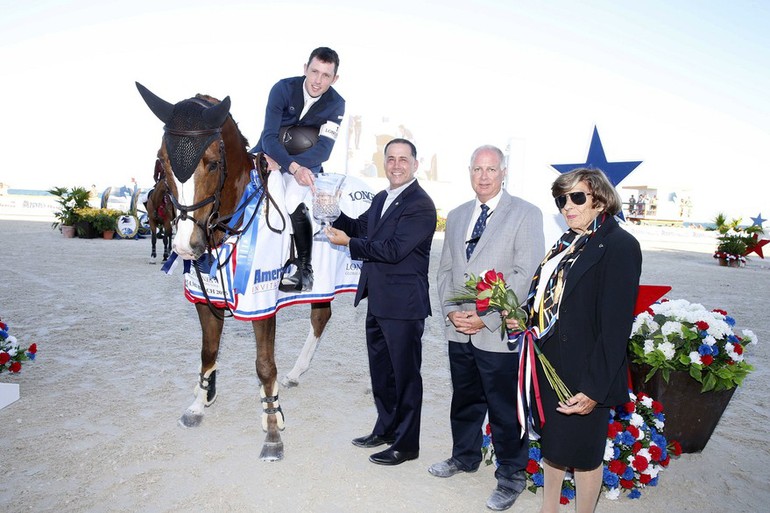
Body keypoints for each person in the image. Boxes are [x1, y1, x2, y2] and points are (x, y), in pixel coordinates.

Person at [509, 167, 641, 513]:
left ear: (599, 200)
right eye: (561, 199)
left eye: (576, 197)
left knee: (584, 455)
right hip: (549, 360)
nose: (567, 205)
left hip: (585, 369)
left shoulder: (620, 245)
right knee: (554, 446)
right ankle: (548, 508)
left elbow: (615, 328)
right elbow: (545, 296)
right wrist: (521, 316)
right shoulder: (566, 242)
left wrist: (595, 389)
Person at [431, 145, 544, 511]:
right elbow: (446, 269)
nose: (483, 176)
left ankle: (511, 476)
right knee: (464, 399)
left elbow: (524, 274)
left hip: (496, 331)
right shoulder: (459, 214)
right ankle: (464, 457)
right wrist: (451, 311)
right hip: (458, 329)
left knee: (504, 408)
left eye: (491, 169)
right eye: (477, 169)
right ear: (469, 171)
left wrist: (488, 316)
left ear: (504, 171)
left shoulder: (526, 214)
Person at [325, 138, 437, 466]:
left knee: (405, 377)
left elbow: (392, 249)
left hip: (404, 306)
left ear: (415, 164)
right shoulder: (381, 198)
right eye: (391, 159)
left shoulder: (420, 204)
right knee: (382, 374)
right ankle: (386, 429)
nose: (397, 165)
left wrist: (350, 242)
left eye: (404, 159)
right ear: (383, 163)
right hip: (379, 301)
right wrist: (332, 211)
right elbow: (361, 227)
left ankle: (406, 444)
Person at [252, 46, 345, 292]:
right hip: (271, 155)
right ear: (305, 69)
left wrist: (298, 168)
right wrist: (288, 165)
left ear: (334, 79)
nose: (318, 80)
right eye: (314, 72)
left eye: (326, 75)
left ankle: (304, 269)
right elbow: (269, 136)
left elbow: (324, 148)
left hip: (307, 163)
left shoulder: (337, 104)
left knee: (292, 199)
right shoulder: (282, 89)